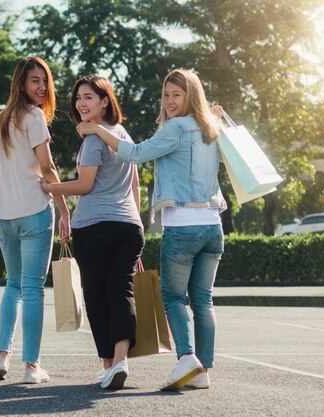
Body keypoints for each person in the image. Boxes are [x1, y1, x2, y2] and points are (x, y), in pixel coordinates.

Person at [77, 68, 225, 391]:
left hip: (183, 225)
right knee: (203, 300)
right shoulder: (212, 129)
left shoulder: (176, 129)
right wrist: (219, 119)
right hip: (214, 227)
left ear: (191, 97)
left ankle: (187, 358)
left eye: (177, 95)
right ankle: (203, 370)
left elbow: (135, 154)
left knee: (173, 296)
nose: (170, 101)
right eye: (166, 95)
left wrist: (98, 131)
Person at [41, 75, 144, 390]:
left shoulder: (93, 141)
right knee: (122, 292)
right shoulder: (121, 134)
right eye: (78, 98)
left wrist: (48, 186)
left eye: (88, 97)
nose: (81, 103)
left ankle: (109, 365)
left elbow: (84, 186)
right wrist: (137, 222)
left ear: (104, 101)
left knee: (98, 297)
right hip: (129, 227)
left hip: (94, 228)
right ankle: (120, 361)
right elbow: (136, 184)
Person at [0, 57, 71, 384]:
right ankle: (31, 366)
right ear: (21, 84)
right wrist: (65, 210)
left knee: (13, 285)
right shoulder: (34, 117)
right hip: (34, 211)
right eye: (34, 81)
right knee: (33, 289)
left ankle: (1, 356)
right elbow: (48, 168)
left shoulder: (3, 119)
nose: (41, 87)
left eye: (44, 81)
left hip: (4, 216)